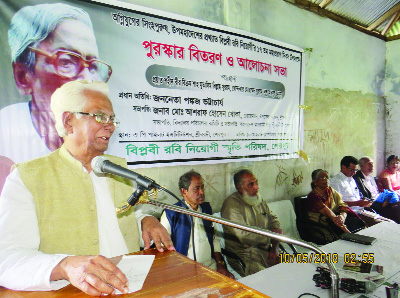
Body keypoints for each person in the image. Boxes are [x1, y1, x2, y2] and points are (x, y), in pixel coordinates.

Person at [0, 81, 174, 296]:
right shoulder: (26, 178)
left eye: (112, 118)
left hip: (130, 288)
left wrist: (145, 219)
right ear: (69, 120)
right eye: (100, 116)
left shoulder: (118, 168)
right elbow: (7, 259)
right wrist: (64, 265)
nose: (110, 125)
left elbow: (123, 214)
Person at [0, 3, 111, 192]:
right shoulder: (6, 133)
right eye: (67, 61)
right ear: (23, 76)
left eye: (93, 67)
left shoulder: (102, 134)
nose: (88, 80)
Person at [160, 170, 234, 279]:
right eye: (197, 189)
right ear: (183, 191)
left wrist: (220, 264)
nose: (202, 192)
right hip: (184, 272)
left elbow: (214, 239)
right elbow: (162, 248)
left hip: (210, 267)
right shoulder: (171, 213)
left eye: (202, 187)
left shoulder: (206, 209)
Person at [221, 169, 282, 277]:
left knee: (292, 269)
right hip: (244, 255)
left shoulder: (258, 199)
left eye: (256, 182)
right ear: (240, 187)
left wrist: (274, 248)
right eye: (251, 184)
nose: (256, 187)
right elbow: (243, 236)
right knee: (266, 280)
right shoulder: (231, 205)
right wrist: (270, 237)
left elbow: (273, 221)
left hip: (267, 249)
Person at [307, 169, 353, 243]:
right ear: (314, 181)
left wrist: (342, 216)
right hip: (322, 226)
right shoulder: (313, 197)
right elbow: (330, 215)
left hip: (336, 221)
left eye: (327, 177)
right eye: (322, 178)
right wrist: (349, 234)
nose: (326, 180)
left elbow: (342, 205)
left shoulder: (331, 190)